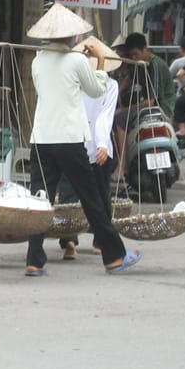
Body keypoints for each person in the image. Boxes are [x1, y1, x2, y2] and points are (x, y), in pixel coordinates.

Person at [25, 4, 139, 276]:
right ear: (71, 37)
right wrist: (100, 60)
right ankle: (114, 257)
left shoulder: (38, 60)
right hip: (68, 138)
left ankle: (33, 260)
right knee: (92, 200)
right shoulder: (76, 61)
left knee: (40, 200)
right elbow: (98, 88)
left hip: (41, 139)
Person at [58, 35, 122, 260]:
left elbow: (104, 117)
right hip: (75, 143)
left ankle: (100, 239)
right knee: (70, 195)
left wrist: (103, 144)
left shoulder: (110, 86)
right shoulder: (74, 83)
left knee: (99, 196)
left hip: (93, 145)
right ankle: (69, 241)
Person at [113, 32, 175, 175]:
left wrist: (124, 109)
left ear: (145, 49)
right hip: (146, 105)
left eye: (136, 54)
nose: (134, 58)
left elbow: (150, 102)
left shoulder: (155, 65)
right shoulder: (139, 64)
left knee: (119, 120)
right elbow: (128, 81)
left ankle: (122, 165)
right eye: (131, 56)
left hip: (160, 107)